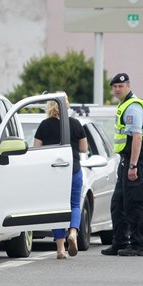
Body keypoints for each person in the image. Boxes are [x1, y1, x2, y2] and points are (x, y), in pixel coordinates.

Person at [101, 73, 143, 257]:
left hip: (136, 160)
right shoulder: (124, 105)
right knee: (119, 203)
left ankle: (139, 245)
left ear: (128, 86)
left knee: (135, 202)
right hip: (128, 159)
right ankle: (120, 242)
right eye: (114, 86)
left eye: (120, 86)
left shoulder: (133, 107)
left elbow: (137, 137)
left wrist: (133, 166)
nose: (117, 89)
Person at [34, 93, 88, 260]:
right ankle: (73, 232)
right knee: (74, 205)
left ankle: (60, 249)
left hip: (53, 173)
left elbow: (36, 149)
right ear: (67, 105)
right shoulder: (75, 124)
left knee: (55, 208)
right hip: (74, 170)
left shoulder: (44, 125)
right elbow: (84, 148)